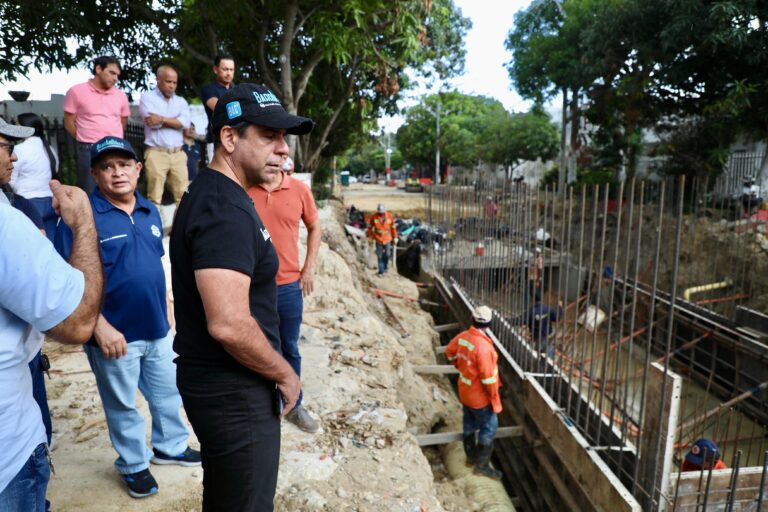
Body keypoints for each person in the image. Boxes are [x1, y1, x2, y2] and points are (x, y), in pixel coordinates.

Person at [170, 83, 312, 511]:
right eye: (268, 137)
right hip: (233, 392)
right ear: (229, 138)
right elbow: (228, 323)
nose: (282, 150)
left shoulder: (222, 194)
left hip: (224, 387)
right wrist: (285, 373)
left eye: (283, 138)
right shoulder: (224, 209)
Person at [54, 136, 200, 499]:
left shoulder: (151, 210)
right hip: (114, 334)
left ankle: (171, 446)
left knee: (168, 394)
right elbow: (65, 279)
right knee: (122, 405)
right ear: (95, 174)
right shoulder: (82, 216)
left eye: (123, 165)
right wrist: (98, 327)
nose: (117, 173)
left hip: (157, 327)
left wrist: (165, 300)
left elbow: (154, 262)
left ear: (138, 169)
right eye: (107, 166)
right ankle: (134, 465)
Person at [0, 117, 104, 512]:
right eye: (6, 145)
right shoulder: (7, 224)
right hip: (7, 454)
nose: (13, 155)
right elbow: (77, 321)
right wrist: (83, 222)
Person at [248, 152, 322, 433]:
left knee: (289, 346)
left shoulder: (299, 189)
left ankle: (294, 403)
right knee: (256, 346)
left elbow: (315, 226)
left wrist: (309, 268)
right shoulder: (244, 190)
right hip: (251, 287)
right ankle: (261, 405)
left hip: (288, 286)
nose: (272, 159)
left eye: (279, 155)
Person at [444, 305, 503, 480]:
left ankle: (470, 457)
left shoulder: (463, 337)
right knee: (489, 428)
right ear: (490, 323)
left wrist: (459, 365)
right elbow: (488, 378)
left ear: (472, 320)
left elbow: (449, 352)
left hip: (465, 392)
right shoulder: (483, 347)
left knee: (469, 424)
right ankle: (482, 466)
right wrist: (494, 399)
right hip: (480, 398)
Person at [64, 56, 130, 193]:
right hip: (89, 148)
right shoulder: (76, 92)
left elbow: (123, 122)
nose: (116, 78)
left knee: (117, 189)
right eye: (112, 73)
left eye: (117, 75)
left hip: (115, 148)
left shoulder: (121, 96)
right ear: (98, 69)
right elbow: (69, 122)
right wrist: (84, 137)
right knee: (90, 190)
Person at [139, 65, 191, 207]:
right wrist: (175, 121)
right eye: (168, 82)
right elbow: (152, 123)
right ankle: (154, 229)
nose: (172, 86)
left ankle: (182, 229)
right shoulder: (147, 98)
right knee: (154, 198)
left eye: (174, 83)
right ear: (158, 80)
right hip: (156, 153)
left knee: (183, 198)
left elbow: (185, 123)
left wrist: (161, 119)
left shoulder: (181, 101)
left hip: (178, 154)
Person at [9, 112, 59, 240]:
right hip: (49, 202)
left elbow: (11, 181)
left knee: (33, 245)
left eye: (17, 124)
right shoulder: (50, 149)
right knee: (51, 246)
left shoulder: (20, 149)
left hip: (29, 203)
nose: (15, 128)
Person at [201, 53, 235, 162]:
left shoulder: (236, 90)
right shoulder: (208, 89)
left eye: (231, 69)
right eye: (225, 69)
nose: (229, 73)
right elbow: (219, 107)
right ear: (216, 69)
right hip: (216, 140)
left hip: (236, 139)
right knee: (218, 175)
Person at [520, 291, 563, 356]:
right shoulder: (548, 309)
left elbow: (524, 320)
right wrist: (560, 308)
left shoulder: (531, 310)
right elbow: (558, 318)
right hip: (545, 336)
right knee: (545, 353)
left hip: (536, 336)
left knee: (533, 352)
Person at [368, 203, 398, 275]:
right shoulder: (374, 217)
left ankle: (385, 266)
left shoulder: (389, 216)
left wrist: (395, 237)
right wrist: (370, 237)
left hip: (387, 238)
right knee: (379, 255)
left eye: (382, 212)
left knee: (387, 254)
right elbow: (370, 228)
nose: (381, 214)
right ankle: (381, 271)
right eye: (380, 213)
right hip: (378, 238)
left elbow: (393, 227)